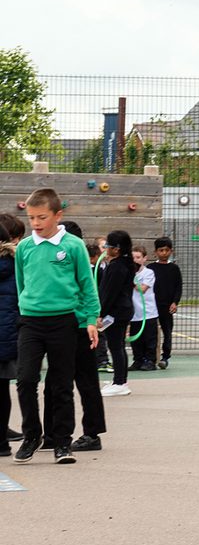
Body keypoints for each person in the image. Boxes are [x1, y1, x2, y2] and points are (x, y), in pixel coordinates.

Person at [13, 190, 98, 465]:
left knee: (61, 384)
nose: (35, 223)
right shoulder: (25, 247)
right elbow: (21, 284)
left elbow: (87, 285)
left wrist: (90, 319)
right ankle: (31, 436)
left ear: (57, 215)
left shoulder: (73, 246)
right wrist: (28, 307)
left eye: (42, 217)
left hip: (64, 321)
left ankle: (62, 443)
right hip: (31, 322)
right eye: (31, 218)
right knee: (26, 380)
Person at [61, 219, 107, 447]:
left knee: (86, 382)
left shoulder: (79, 264)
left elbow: (90, 294)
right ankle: (54, 434)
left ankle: (92, 433)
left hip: (80, 327)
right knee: (58, 384)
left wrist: (90, 319)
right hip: (60, 326)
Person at [97, 230, 137, 397]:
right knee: (118, 345)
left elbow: (109, 293)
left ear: (117, 249)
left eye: (108, 246)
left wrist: (100, 314)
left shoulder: (117, 267)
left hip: (116, 312)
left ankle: (120, 382)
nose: (105, 249)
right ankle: (120, 380)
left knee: (115, 346)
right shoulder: (126, 263)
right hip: (123, 309)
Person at [0, 215, 22, 457]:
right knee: (2, 390)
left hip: (5, 334)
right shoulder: (15, 266)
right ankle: (2, 442)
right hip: (9, 337)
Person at [150, 237, 181, 370]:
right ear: (155, 252)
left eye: (167, 250)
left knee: (167, 332)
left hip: (167, 306)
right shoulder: (150, 268)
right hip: (152, 306)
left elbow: (178, 287)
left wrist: (175, 302)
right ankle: (150, 357)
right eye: (161, 250)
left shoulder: (174, 268)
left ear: (171, 251)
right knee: (151, 333)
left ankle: (165, 357)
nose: (164, 253)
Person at [130, 246, 159, 373]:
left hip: (148, 313)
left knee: (149, 339)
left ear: (144, 258)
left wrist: (130, 280)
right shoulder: (129, 273)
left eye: (138, 257)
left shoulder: (148, 273)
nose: (135, 260)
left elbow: (142, 288)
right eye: (133, 258)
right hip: (134, 313)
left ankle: (150, 361)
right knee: (136, 339)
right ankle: (138, 360)